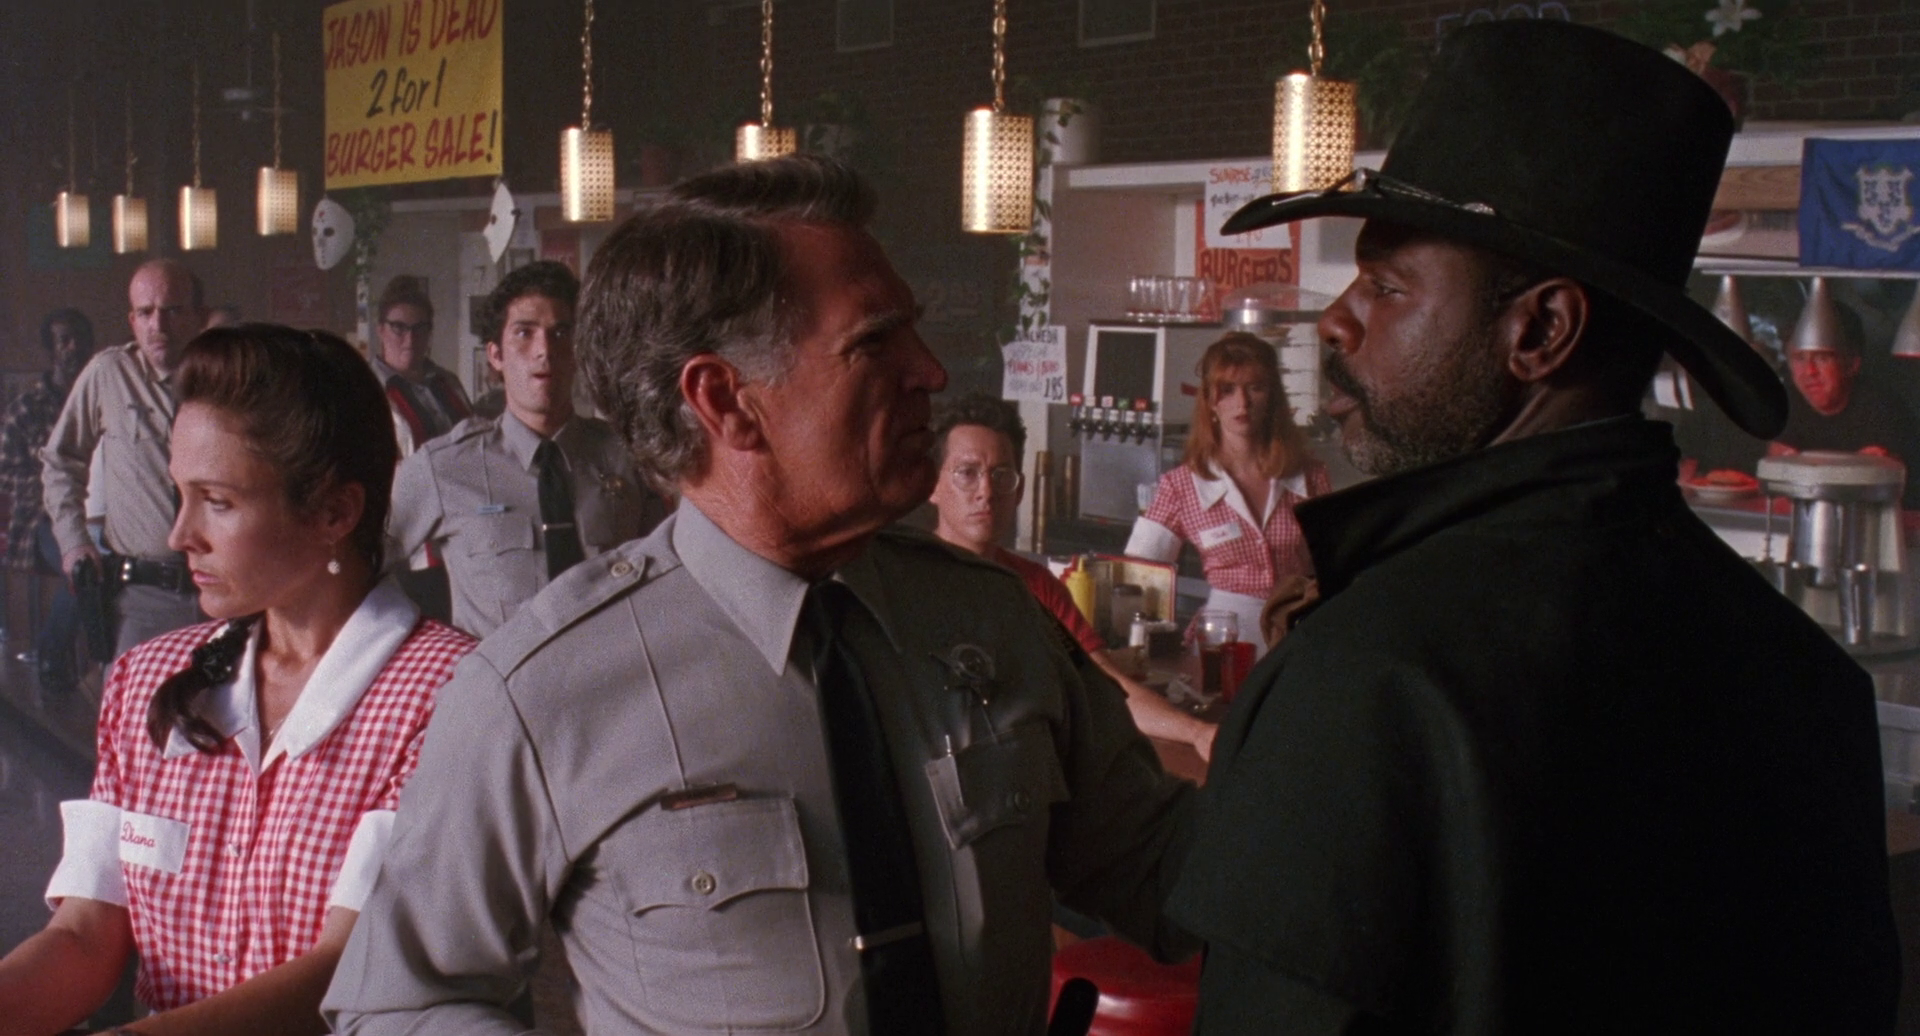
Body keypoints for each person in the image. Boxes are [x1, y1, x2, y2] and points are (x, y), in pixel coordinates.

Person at [324, 154, 1193, 1035]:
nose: (930, 372)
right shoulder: (543, 690)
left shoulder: (992, 618)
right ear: (725, 401)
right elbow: (397, 1004)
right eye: (874, 343)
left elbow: (1168, 872)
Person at [1166, 21, 1899, 1034]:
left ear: (1542, 330)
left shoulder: (1370, 675)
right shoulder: (1807, 678)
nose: (1337, 320)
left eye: (1386, 285)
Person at [0, 325, 475, 1035]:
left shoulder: (448, 693)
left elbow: (343, 972)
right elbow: (83, 937)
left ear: (335, 512)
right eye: (179, 495)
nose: (179, 535)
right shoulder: (147, 681)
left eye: (216, 501)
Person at [929, 392, 1216, 761]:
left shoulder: (1036, 586)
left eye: (1001, 475)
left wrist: (1198, 733)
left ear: (1019, 491)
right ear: (932, 485)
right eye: (967, 473)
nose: (986, 492)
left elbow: (1108, 688)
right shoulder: (909, 580)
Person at [387, 260, 665, 638]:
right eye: (524, 333)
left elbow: (664, 577)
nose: (543, 351)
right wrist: (424, 651)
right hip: (501, 673)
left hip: (610, 668)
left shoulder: (626, 458)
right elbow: (366, 572)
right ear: (496, 355)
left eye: (561, 333)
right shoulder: (444, 469)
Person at [1124, 332, 1330, 656]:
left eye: (1255, 387)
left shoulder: (1310, 477)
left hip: (1299, 637)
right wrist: (1149, 648)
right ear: (1210, 401)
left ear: (1272, 397)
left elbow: (1332, 566)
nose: (1242, 403)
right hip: (1222, 645)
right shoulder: (1181, 486)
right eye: (1228, 390)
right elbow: (1138, 575)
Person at [41, 259, 207, 659]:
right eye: (146, 313)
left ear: (198, 317)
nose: (158, 325)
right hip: (141, 597)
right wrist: (74, 542)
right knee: (130, 698)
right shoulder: (109, 373)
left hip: (220, 590)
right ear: (132, 321)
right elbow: (60, 459)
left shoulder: (226, 376)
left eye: (172, 310)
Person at [0, 309, 96, 696]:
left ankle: (108, 667)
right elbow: (6, 472)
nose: (73, 347)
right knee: (85, 573)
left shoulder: (100, 398)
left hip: (103, 517)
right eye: (63, 340)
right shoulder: (26, 409)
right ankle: (52, 654)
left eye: (79, 339)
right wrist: (58, 488)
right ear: (51, 349)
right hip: (43, 522)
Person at [1770, 301, 1920, 507]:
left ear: (1852, 364)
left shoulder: (1882, 410)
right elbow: (1777, 478)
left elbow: (1877, 491)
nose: (1809, 371)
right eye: (1799, 358)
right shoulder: (1786, 402)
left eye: (1822, 358)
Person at [369, 275, 471, 456]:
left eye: (419, 328)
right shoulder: (367, 389)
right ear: (381, 330)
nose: (410, 339)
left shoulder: (448, 381)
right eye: (398, 327)